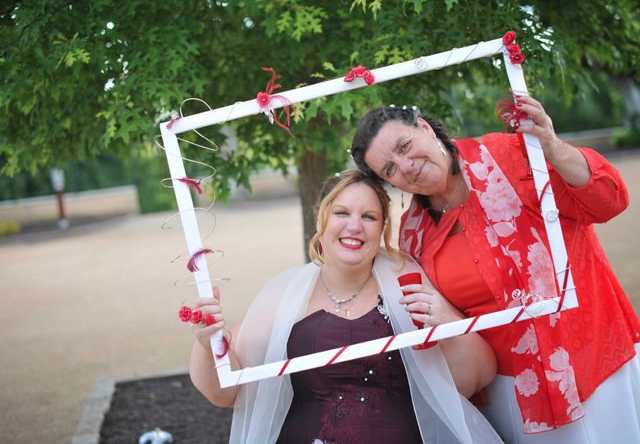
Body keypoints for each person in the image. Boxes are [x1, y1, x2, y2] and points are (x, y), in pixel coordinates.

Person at [350, 95, 640, 443]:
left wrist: (553, 148)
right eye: (390, 170)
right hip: (505, 389)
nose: (406, 166)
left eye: (405, 146)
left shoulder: (509, 156)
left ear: (425, 128)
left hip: (586, 364)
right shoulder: (413, 232)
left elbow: (610, 201)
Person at [188, 169, 502, 443]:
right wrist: (208, 344)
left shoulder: (406, 282)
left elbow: (475, 377)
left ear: (382, 229)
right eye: (342, 213)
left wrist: (448, 325)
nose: (355, 225)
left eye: (369, 217)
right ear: (321, 220)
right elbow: (225, 393)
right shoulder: (282, 295)